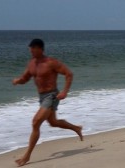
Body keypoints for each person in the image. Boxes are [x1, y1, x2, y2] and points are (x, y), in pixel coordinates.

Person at [13, 39, 83, 167]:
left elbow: (69, 74)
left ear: (40, 49)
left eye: (33, 49)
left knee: (35, 122)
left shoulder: (51, 62)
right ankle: (76, 128)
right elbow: (26, 78)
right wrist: (18, 81)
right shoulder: (31, 64)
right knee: (53, 122)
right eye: (30, 49)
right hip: (42, 97)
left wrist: (65, 92)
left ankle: (26, 156)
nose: (31, 51)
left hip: (52, 96)